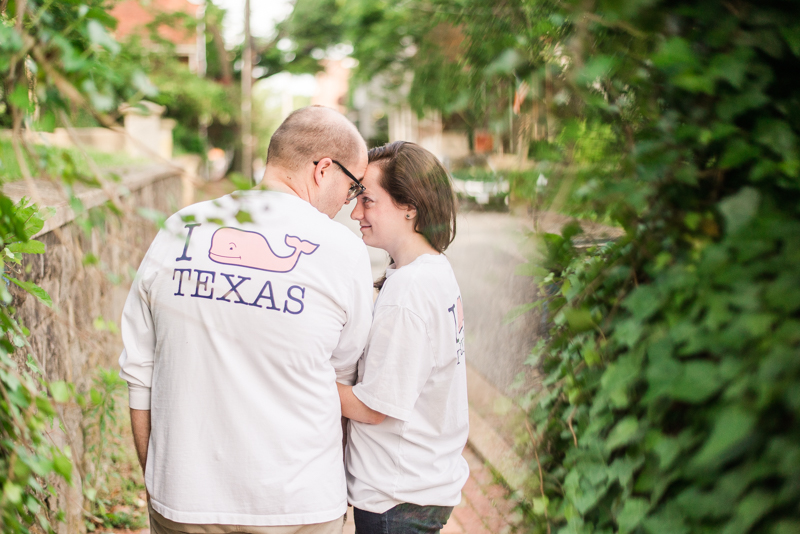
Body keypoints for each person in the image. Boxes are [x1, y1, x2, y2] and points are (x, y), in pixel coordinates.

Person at [119, 106, 374, 534]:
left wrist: (159, 481)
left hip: (184, 502)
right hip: (299, 509)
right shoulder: (342, 252)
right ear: (324, 169)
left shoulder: (181, 228)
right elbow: (343, 383)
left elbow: (139, 373)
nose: (350, 205)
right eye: (353, 188)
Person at [337, 141, 469, 534]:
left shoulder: (409, 291)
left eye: (368, 200)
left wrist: (293, 378)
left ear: (409, 206)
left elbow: (375, 407)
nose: (354, 211)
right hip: (419, 488)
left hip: (396, 500)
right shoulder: (432, 268)